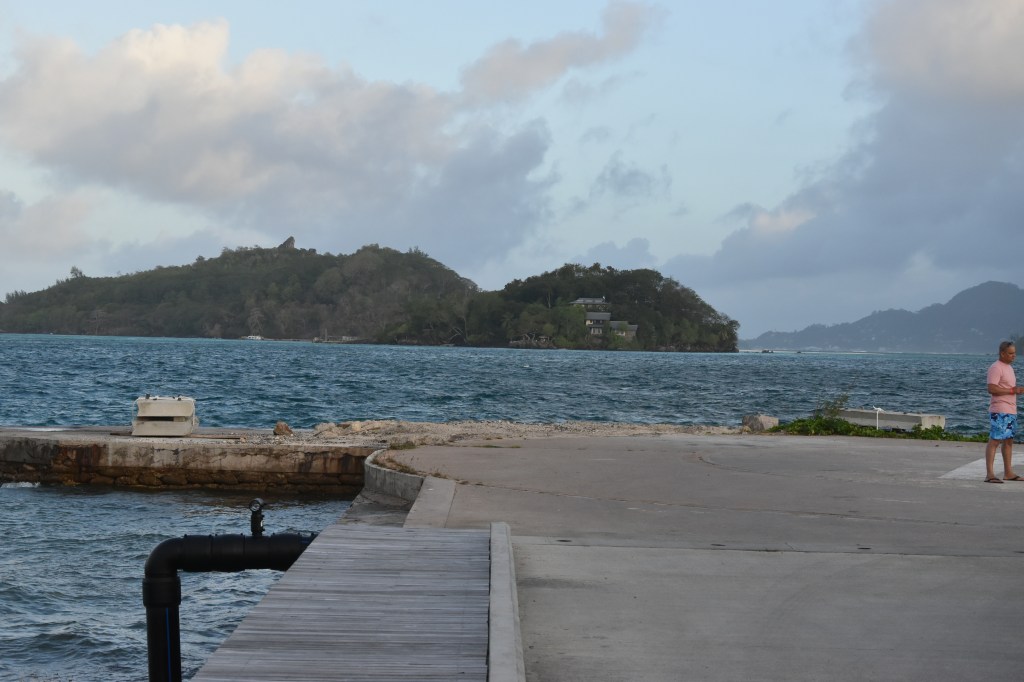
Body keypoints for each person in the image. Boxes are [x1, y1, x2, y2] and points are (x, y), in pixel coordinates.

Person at [985, 341, 1024, 482]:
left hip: (1010, 410)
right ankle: (990, 474)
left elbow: (1007, 388)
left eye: (1014, 353)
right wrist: (1012, 390)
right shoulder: (996, 368)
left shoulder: (1009, 368)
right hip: (999, 409)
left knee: (1008, 441)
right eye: (1011, 353)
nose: (1014, 356)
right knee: (995, 440)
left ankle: (1008, 473)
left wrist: (1016, 391)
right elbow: (992, 388)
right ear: (1002, 353)